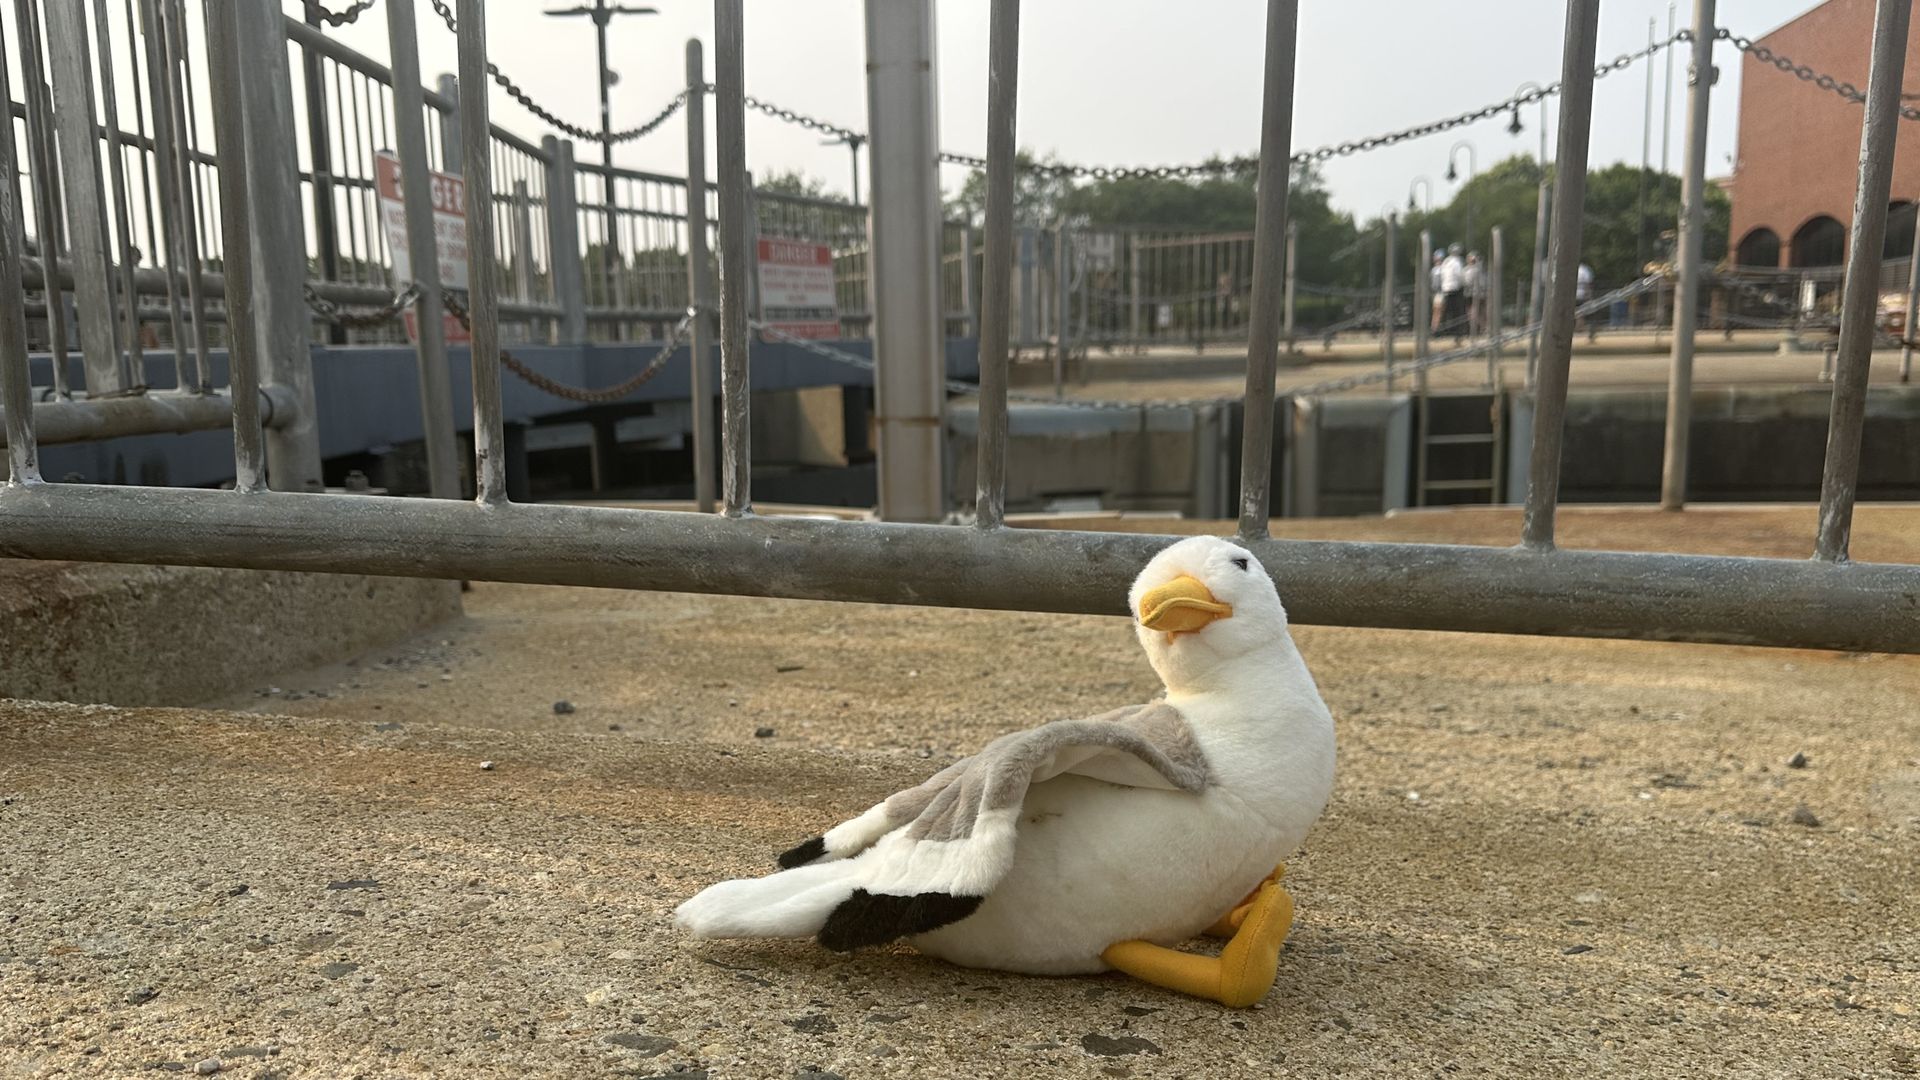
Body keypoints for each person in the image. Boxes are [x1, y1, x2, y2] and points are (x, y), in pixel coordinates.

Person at [1438, 243, 1467, 342]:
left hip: (1445, 288)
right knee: (1458, 312)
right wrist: (1463, 284)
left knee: (1446, 311)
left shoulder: (1446, 261)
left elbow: (1442, 275)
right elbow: (1460, 275)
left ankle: (1442, 331)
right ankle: (1458, 333)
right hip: (1455, 289)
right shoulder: (1457, 262)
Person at [1464, 251, 1487, 338]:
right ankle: (1478, 328)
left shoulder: (1471, 270)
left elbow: (1467, 281)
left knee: (1474, 312)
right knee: (1475, 312)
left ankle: (1477, 328)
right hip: (1474, 293)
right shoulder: (1479, 269)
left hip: (1474, 293)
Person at [1574, 261, 1595, 342]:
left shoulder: (1573, 269)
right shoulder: (1585, 270)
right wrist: (1589, 295)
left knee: (1578, 313)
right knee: (1581, 313)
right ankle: (1580, 328)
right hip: (1582, 294)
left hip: (1573, 295)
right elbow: (1588, 283)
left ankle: (1579, 328)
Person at [1429, 250, 1446, 333]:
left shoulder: (1442, 269)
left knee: (1438, 310)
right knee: (1436, 310)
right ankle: (1434, 327)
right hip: (1435, 292)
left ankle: (1435, 328)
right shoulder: (1434, 269)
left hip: (1440, 292)